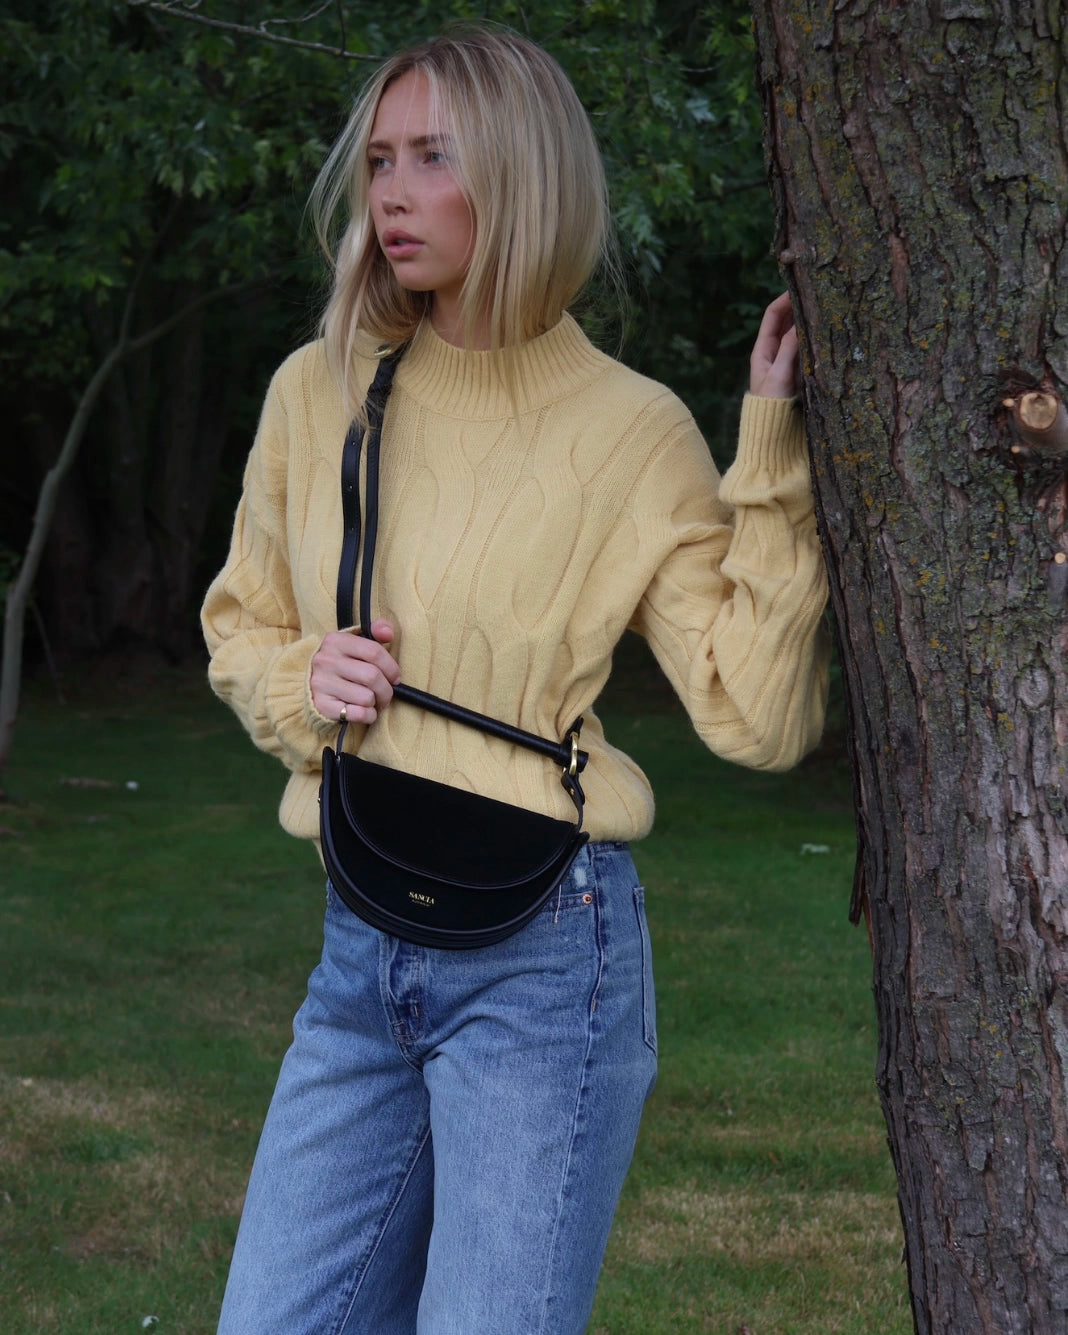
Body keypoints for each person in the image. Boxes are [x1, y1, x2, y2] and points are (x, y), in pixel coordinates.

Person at [201, 24, 829, 1335]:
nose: (390, 191)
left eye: (434, 156)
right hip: (359, 943)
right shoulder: (318, 395)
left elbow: (758, 719)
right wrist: (303, 684)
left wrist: (767, 453)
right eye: (379, 158)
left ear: (524, 175)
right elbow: (241, 625)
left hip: (548, 959)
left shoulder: (630, 430)